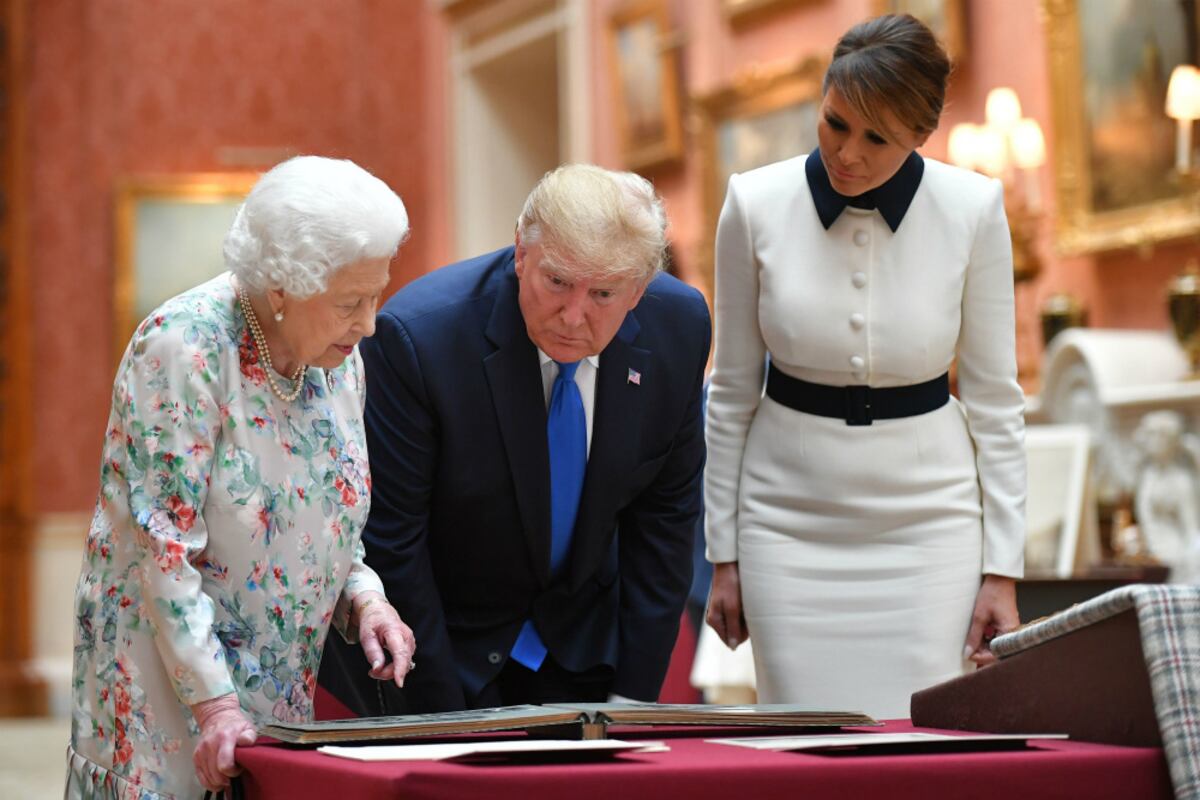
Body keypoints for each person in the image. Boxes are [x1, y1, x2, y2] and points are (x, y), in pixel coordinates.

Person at [704, 14, 1026, 719]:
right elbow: (729, 392)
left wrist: (1002, 570)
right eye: (835, 123)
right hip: (787, 524)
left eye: (876, 137)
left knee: (919, 738)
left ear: (921, 135)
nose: (847, 154)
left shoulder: (974, 208)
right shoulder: (752, 204)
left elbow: (997, 401)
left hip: (929, 525)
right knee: (804, 742)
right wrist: (722, 557)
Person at [67, 156, 417, 799]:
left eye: (377, 296)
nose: (368, 324)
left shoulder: (338, 360)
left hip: (276, 706)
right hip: (169, 705)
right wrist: (216, 708)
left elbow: (331, 517)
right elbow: (162, 547)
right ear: (281, 287)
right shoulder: (184, 347)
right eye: (351, 302)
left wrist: (366, 599)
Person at [320, 163, 710, 713]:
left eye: (602, 293)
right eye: (556, 282)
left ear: (639, 290)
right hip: (442, 642)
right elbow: (395, 540)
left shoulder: (680, 326)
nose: (574, 316)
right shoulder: (420, 338)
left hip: (581, 645)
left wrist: (632, 704)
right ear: (521, 254)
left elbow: (666, 521)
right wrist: (443, 725)